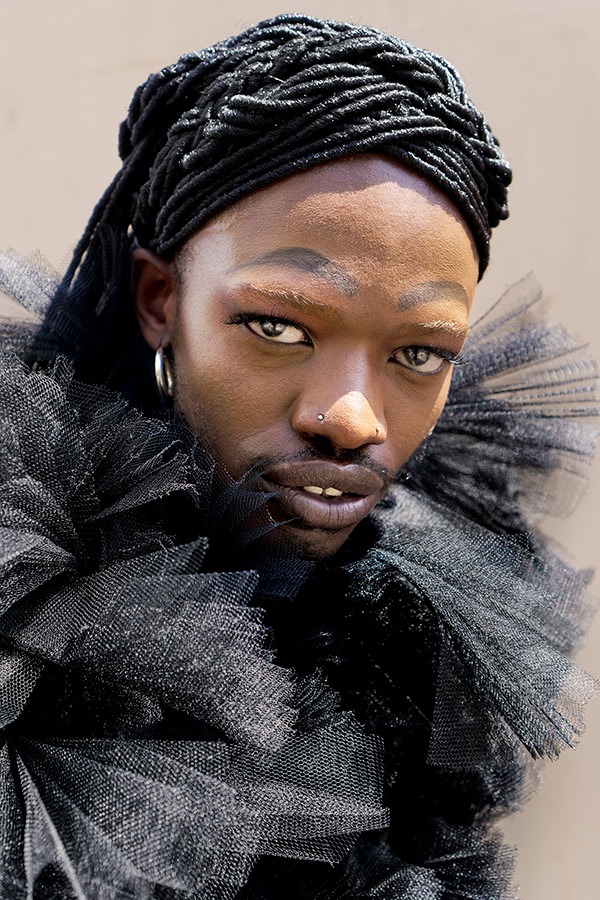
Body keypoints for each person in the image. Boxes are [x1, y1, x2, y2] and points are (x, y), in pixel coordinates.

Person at [0, 13, 596, 900]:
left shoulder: (423, 624)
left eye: (419, 354)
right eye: (276, 327)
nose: (351, 419)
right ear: (160, 298)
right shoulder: (28, 587)